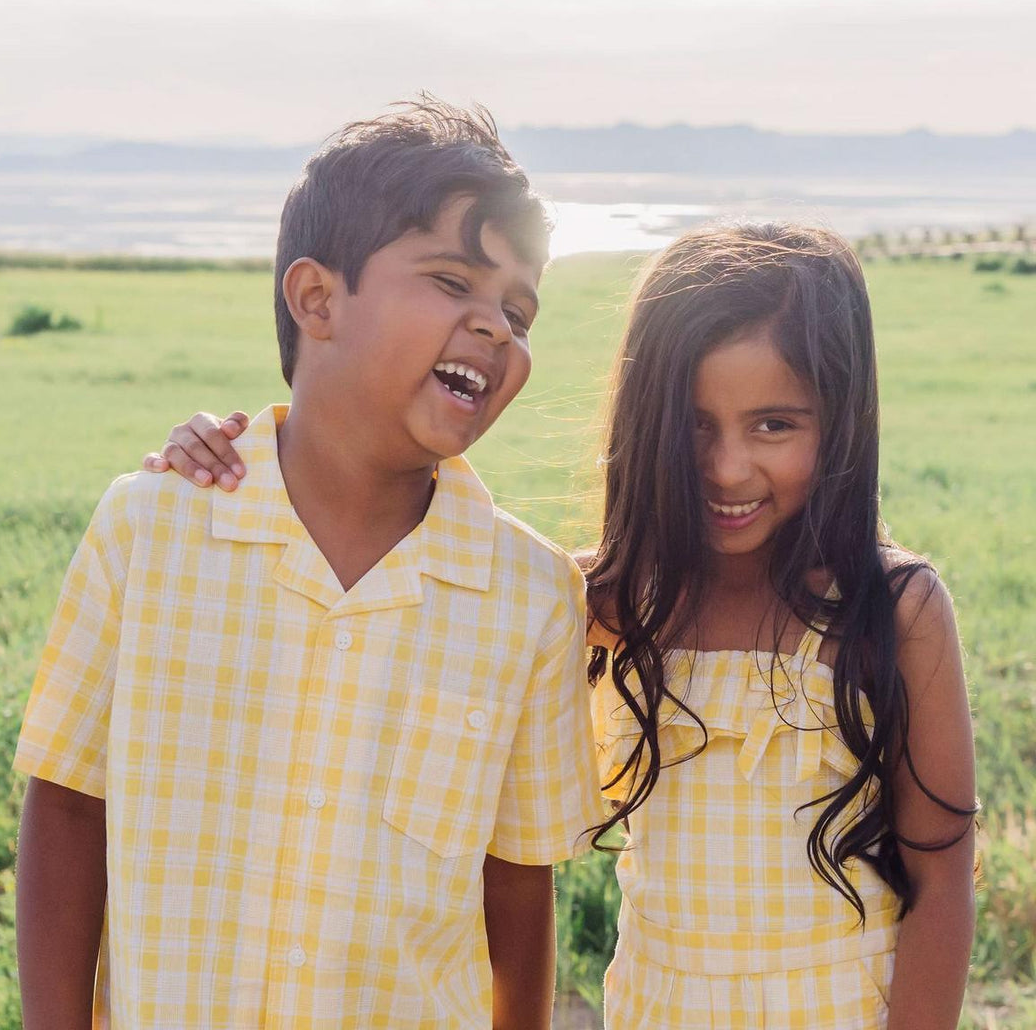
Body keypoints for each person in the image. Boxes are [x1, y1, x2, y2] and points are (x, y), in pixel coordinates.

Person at [159, 222, 979, 1029]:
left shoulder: (892, 611)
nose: (728, 468)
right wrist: (251, 453)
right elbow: (407, 542)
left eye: (774, 424)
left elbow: (941, 880)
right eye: (695, 425)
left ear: (839, 421)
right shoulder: (598, 601)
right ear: (646, 423)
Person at [14, 98, 604, 1030]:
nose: (496, 327)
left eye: (519, 310)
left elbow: (518, 894)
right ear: (316, 299)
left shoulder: (531, 597)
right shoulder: (152, 527)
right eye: (453, 281)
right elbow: (67, 807)